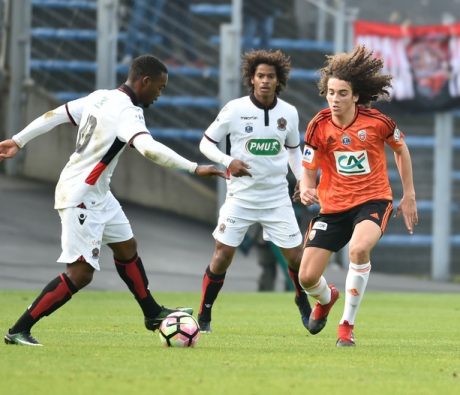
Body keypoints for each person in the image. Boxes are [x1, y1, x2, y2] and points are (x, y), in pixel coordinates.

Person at [0, 54, 225, 346]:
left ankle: (152, 313)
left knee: (126, 247)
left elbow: (55, 114)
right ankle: (19, 329)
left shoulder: (100, 97)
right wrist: (195, 167)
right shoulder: (128, 112)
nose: (160, 94)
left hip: (99, 194)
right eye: (160, 87)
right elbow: (149, 149)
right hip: (81, 195)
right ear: (145, 81)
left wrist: (18, 140)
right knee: (80, 273)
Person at [298, 45, 418, 347]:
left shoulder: (377, 122)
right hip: (333, 206)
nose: (334, 99)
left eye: (341, 93)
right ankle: (327, 299)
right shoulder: (318, 125)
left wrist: (410, 194)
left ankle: (346, 327)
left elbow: (401, 149)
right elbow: (308, 166)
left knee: (358, 250)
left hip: (373, 200)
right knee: (307, 278)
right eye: (330, 92)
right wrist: (307, 186)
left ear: (355, 96)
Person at [196, 49, 312, 333]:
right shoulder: (234, 109)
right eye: (260, 75)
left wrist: (303, 181)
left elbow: (294, 152)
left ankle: (302, 301)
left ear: (278, 80)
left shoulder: (289, 113)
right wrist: (228, 161)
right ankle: (204, 315)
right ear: (251, 78)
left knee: (296, 257)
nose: (265, 81)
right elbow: (206, 143)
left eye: (270, 76)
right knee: (222, 255)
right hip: (241, 196)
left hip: (276, 198)